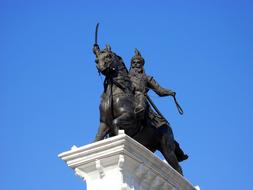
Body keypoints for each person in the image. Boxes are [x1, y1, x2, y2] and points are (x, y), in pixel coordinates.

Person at [129, 49, 188, 162]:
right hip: (128, 100)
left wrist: (169, 92)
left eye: (138, 63)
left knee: (142, 105)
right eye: (134, 63)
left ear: (142, 65)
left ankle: (140, 128)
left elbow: (159, 90)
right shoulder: (126, 76)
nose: (136, 65)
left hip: (140, 100)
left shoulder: (147, 78)